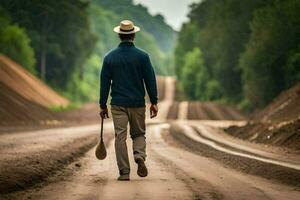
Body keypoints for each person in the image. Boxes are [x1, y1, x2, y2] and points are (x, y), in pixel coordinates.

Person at [99, 20, 158, 181]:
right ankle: (139, 156)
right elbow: (150, 80)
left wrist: (102, 105)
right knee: (138, 133)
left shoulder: (109, 57)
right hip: (137, 104)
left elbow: (104, 83)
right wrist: (154, 101)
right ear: (133, 35)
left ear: (119, 35)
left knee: (120, 137)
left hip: (117, 104)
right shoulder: (143, 57)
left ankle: (124, 172)